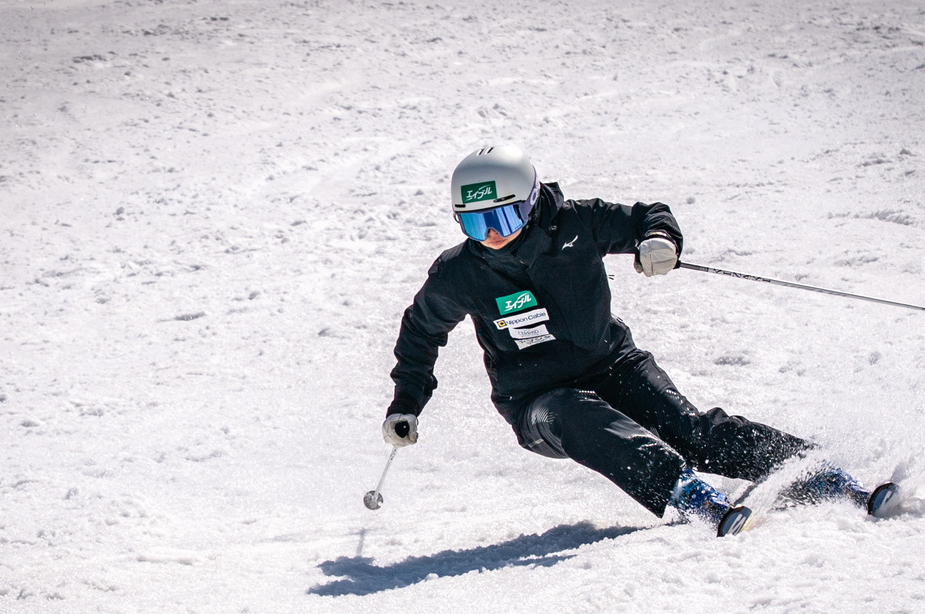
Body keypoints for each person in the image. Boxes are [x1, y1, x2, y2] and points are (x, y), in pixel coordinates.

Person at [382, 145, 896, 536]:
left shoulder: (578, 223)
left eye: (503, 217)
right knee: (574, 412)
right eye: (475, 222)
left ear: (533, 202)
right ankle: (686, 492)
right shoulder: (459, 272)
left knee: (695, 432)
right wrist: (407, 403)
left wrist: (658, 240)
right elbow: (421, 332)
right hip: (534, 402)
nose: (491, 234)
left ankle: (817, 471)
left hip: (613, 364)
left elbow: (648, 215)